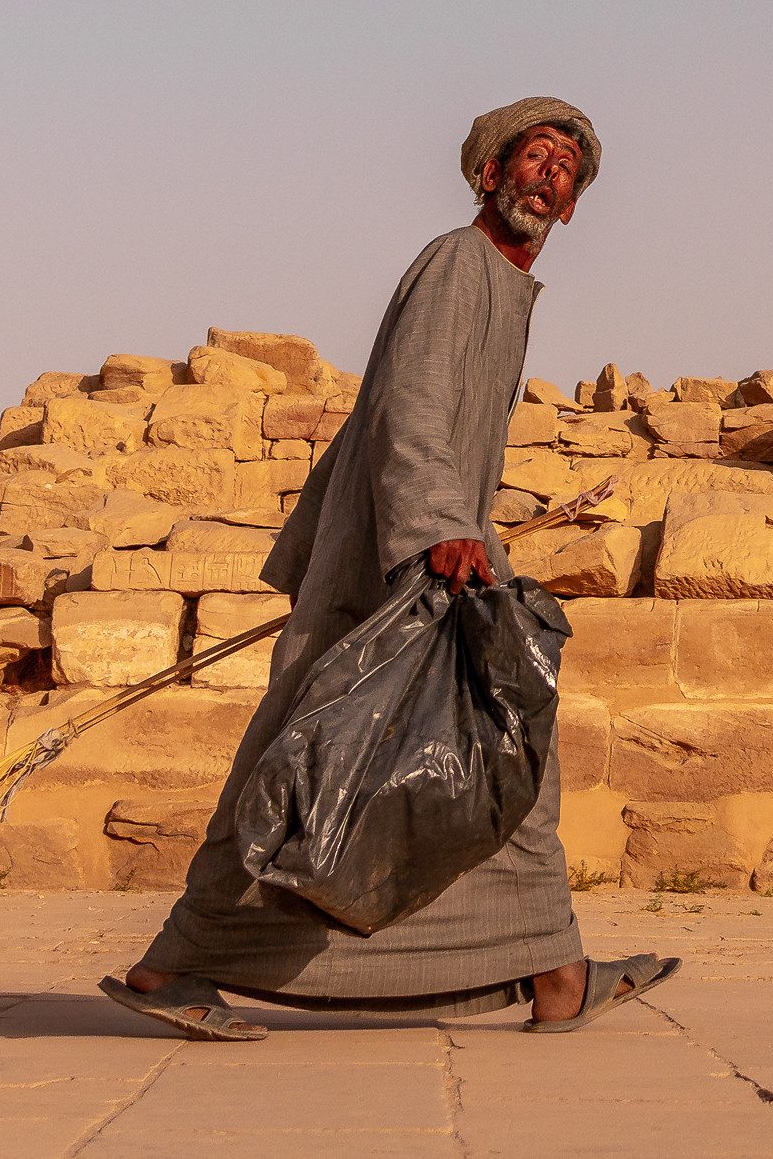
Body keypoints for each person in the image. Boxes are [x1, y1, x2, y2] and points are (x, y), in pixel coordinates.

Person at [99, 97, 678, 1041]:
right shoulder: (459, 261)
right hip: (401, 558)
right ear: (490, 174)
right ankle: (170, 966)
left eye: (566, 172)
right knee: (313, 759)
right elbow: (410, 400)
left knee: (502, 752)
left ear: (572, 207)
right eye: (534, 158)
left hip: (437, 549)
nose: (549, 177)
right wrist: (442, 525)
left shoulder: (507, 285)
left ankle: (556, 968)